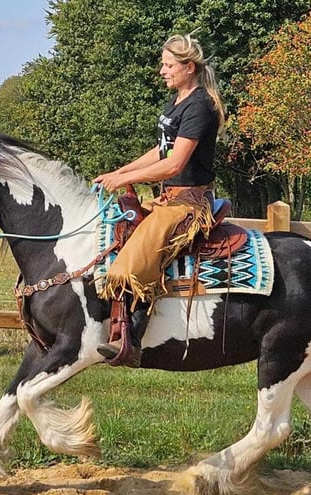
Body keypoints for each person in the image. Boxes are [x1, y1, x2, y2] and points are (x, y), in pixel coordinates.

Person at [94, 33, 226, 366]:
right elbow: (160, 150)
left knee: (131, 262)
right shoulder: (177, 101)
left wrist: (124, 179)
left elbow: (174, 163)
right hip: (168, 197)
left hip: (189, 203)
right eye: (162, 65)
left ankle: (132, 338)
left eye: (168, 65)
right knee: (117, 234)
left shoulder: (200, 105)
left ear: (189, 67)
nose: (162, 71)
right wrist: (117, 172)